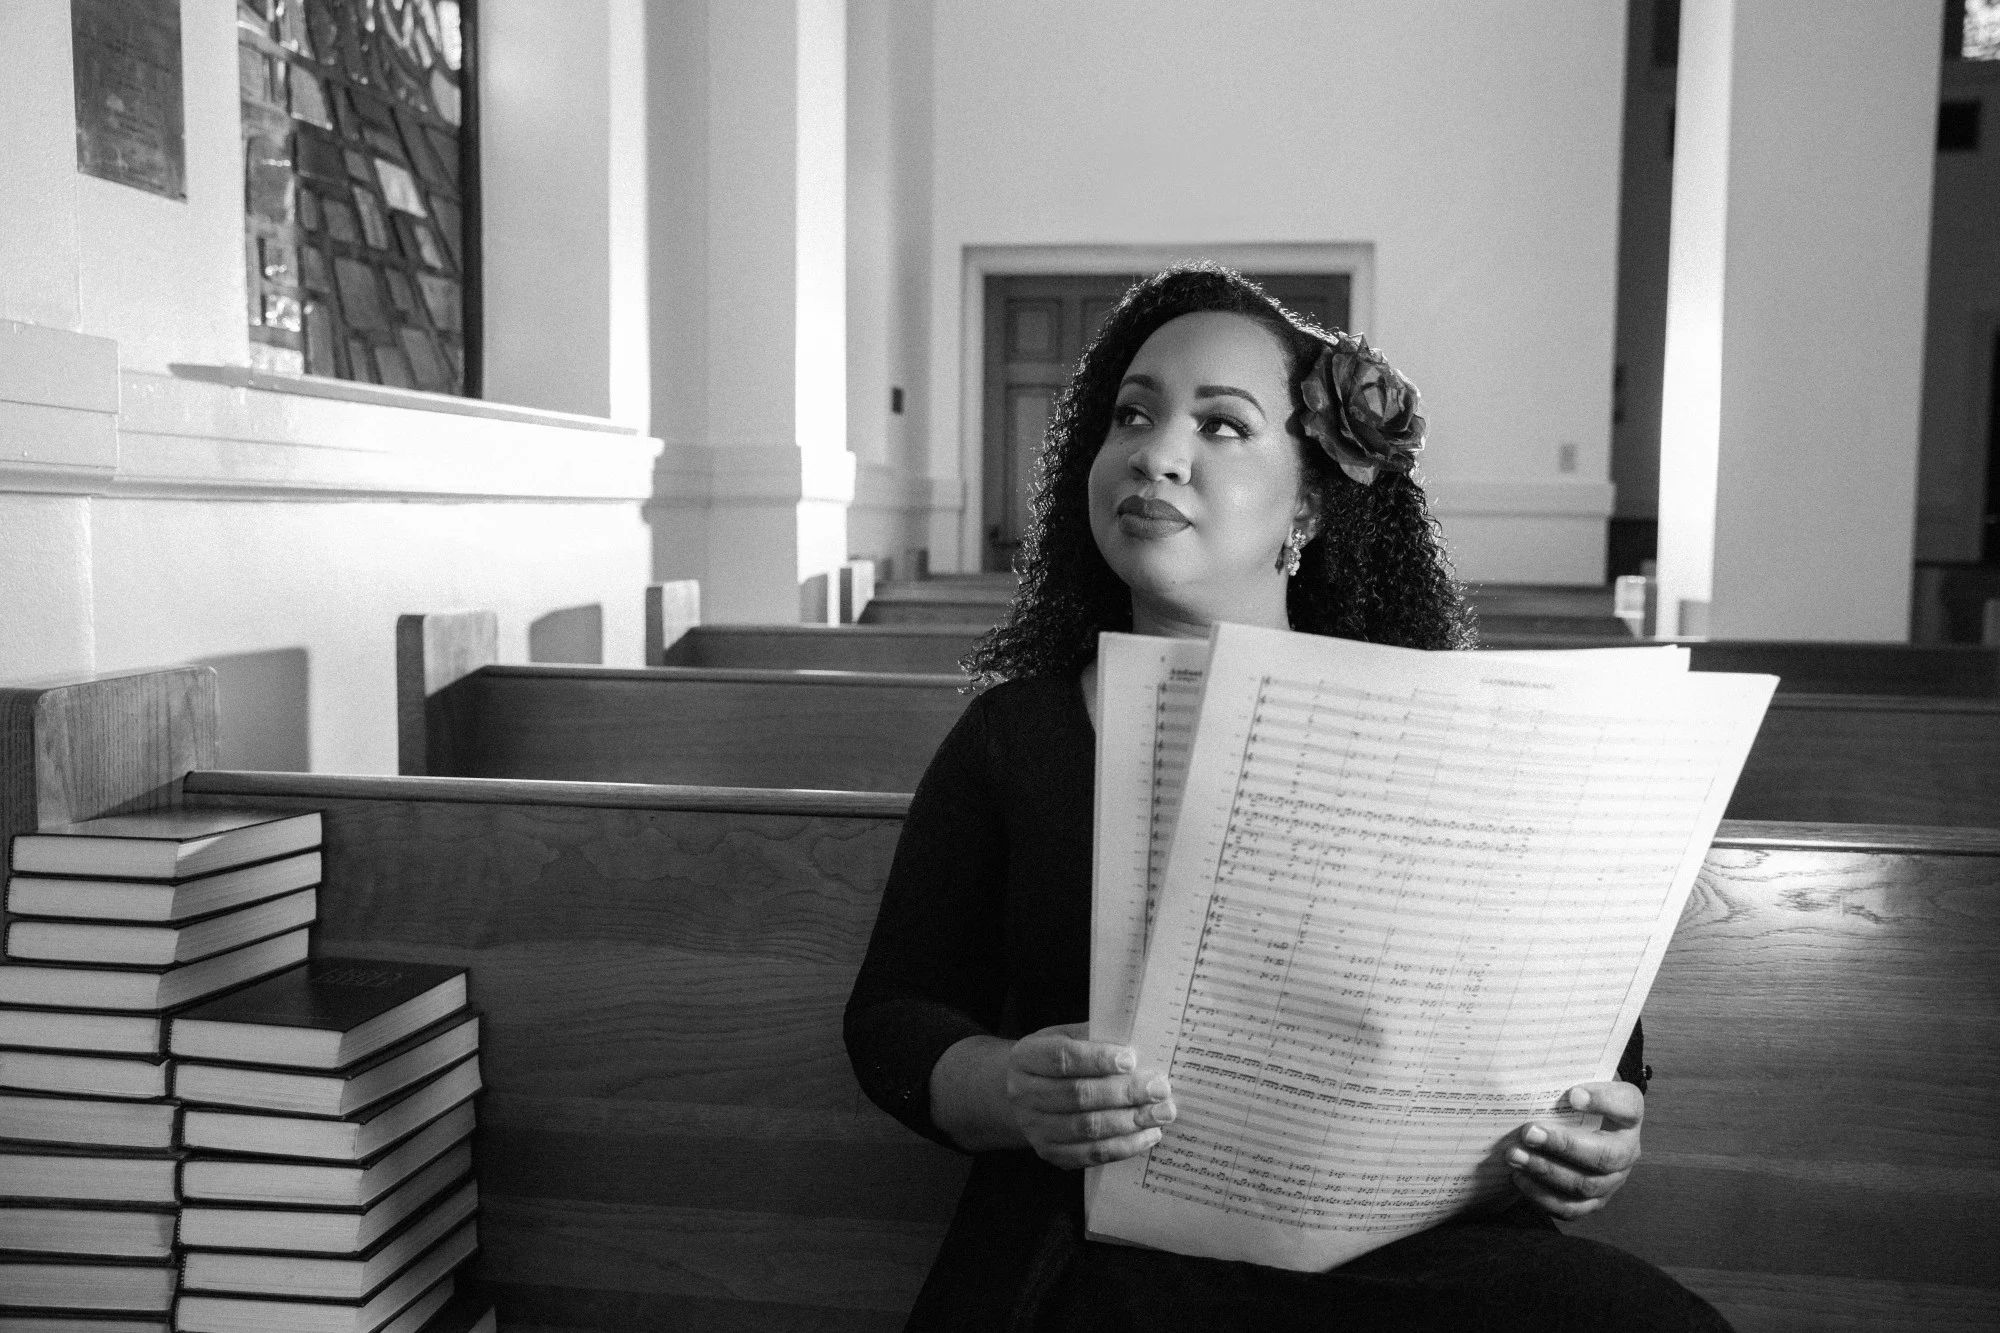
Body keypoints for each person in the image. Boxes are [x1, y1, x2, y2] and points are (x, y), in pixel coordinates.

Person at [844, 263, 1731, 1332]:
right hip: (1098, 1247)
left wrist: (1595, 1135)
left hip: (1407, 1248)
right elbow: (892, 1018)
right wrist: (1009, 1089)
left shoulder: (1444, 728)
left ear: (1306, 503)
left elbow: (1588, 1043)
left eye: (1220, 425)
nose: (1155, 452)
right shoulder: (1016, 735)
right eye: (1131, 414)